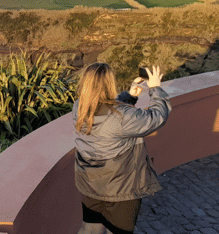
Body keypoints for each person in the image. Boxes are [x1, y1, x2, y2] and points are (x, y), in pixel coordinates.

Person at [72, 63, 171, 234]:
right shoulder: (122, 117)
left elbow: (107, 110)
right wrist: (155, 89)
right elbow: (157, 117)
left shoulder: (80, 106)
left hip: (90, 182)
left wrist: (129, 97)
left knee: (90, 227)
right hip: (120, 188)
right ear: (110, 83)